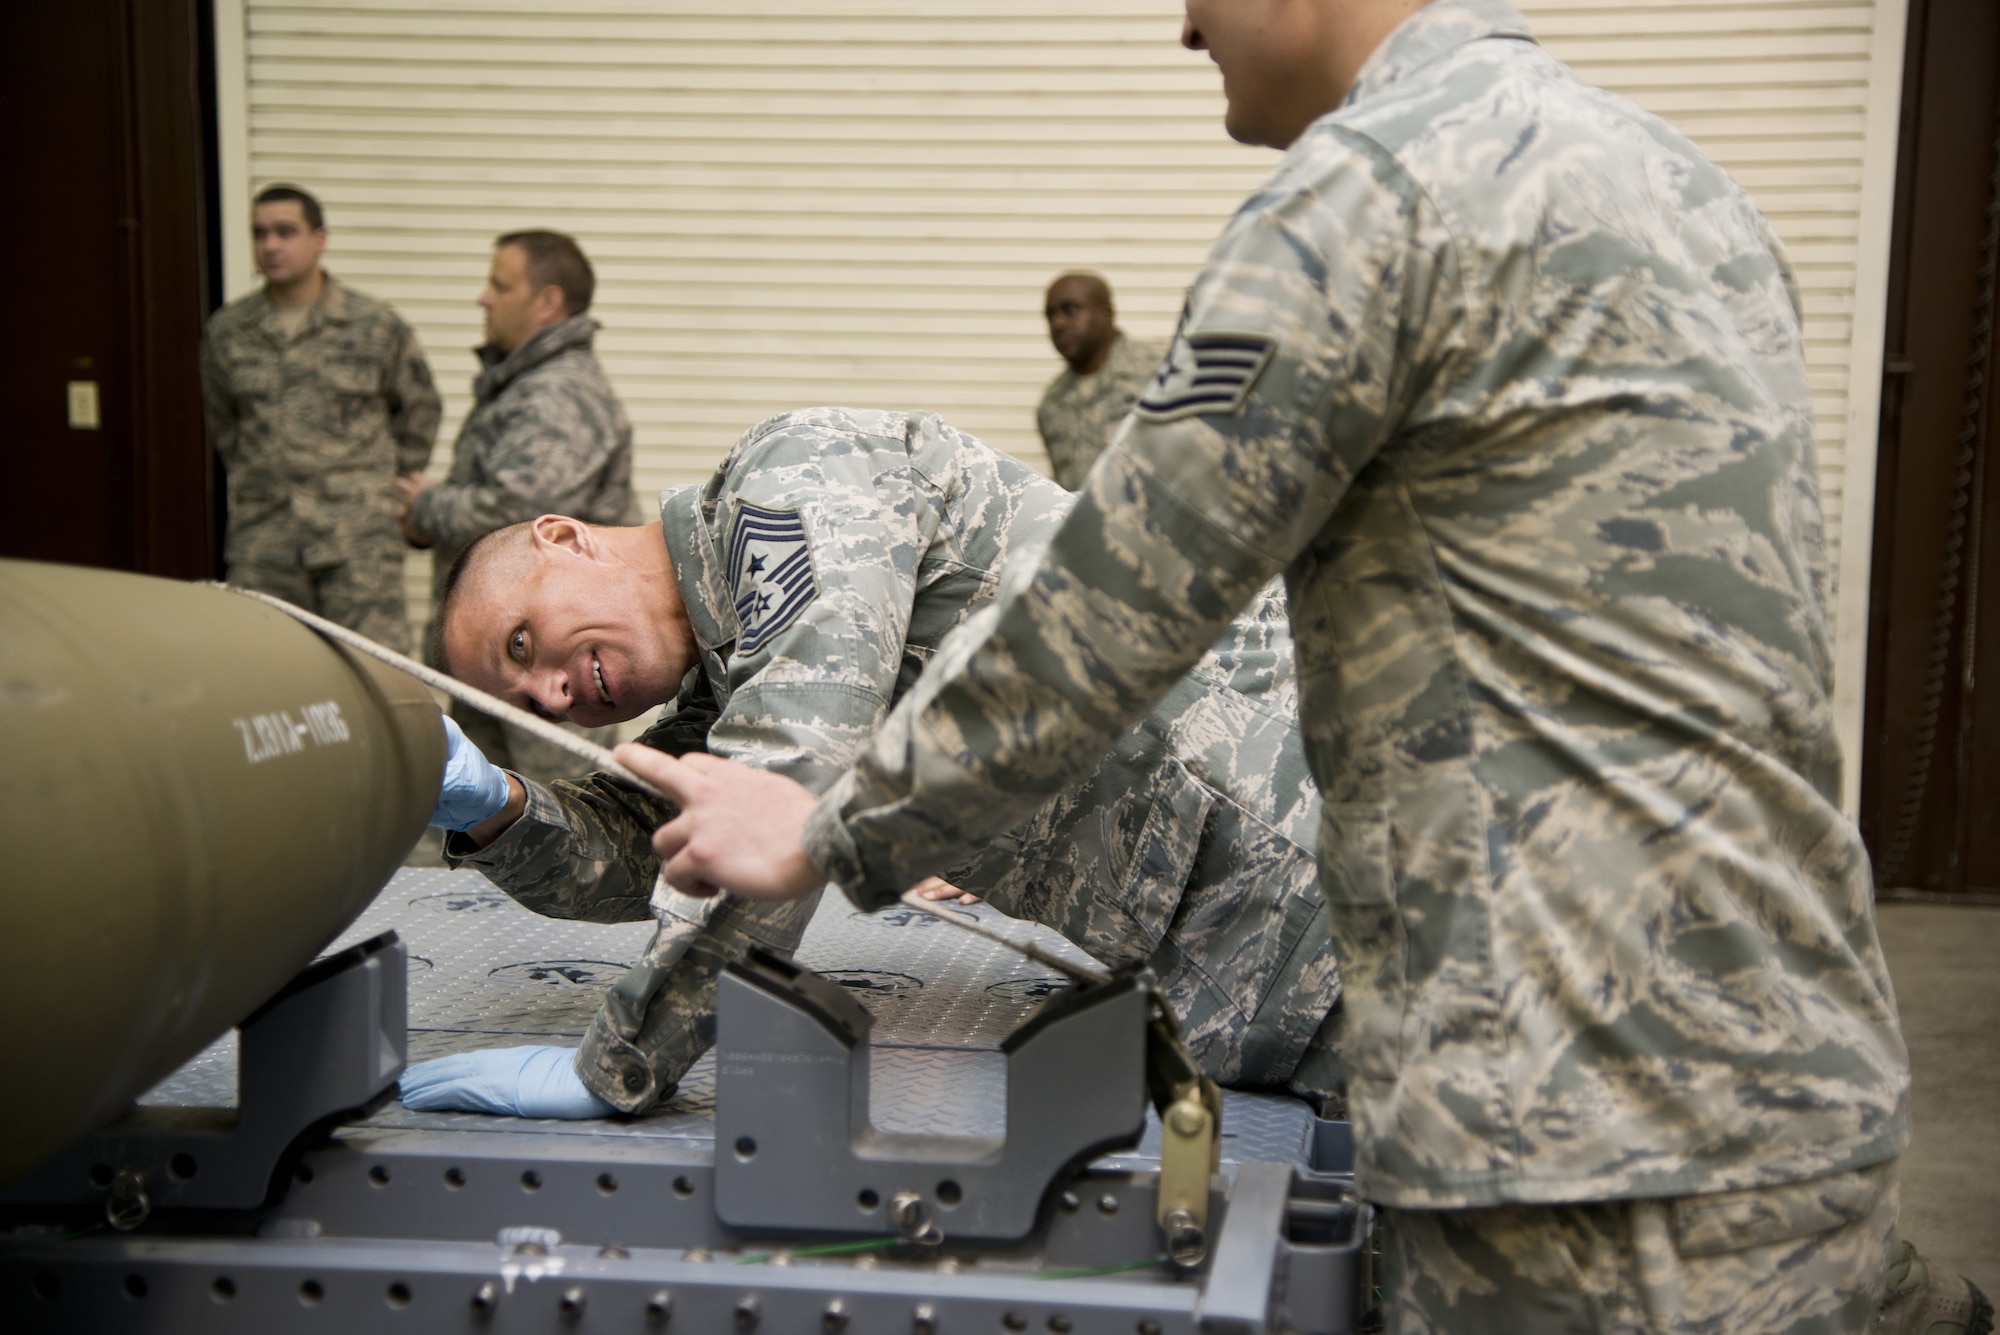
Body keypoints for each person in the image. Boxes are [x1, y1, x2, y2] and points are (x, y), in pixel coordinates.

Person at [614, 3, 1934, 1330]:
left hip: (1573, 1126)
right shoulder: (1686, 185)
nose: (1185, 27)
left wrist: (835, 828)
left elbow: (1115, 599)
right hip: (1790, 1051)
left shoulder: (1366, 201)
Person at [401, 407, 1342, 1119]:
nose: (554, 697)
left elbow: (787, 779)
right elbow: (658, 844)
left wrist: (617, 1062)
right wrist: (496, 808)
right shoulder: (732, 674)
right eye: (525, 701)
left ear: (563, 537)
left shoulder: (786, 488)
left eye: (525, 642)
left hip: (1313, 873)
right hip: (1245, 964)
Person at [398, 230, 640, 783]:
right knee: (485, 814)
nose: (483, 298)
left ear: (547, 302)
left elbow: (516, 512)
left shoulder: (559, 394)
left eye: (499, 285)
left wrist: (427, 507)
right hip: (508, 649)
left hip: (551, 663)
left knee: (564, 814)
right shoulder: (524, 384)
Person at [201, 184, 441, 651]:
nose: (270, 245)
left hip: (357, 543)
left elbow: (419, 409)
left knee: (379, 674)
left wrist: (375, 488)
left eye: (285, 232)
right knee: (262, 670)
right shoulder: (228, 332)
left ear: (319, 239)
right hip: (266, 543)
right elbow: (224, 426)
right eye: (260, 233)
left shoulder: (374, 325)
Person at [1036, 273, 1164, 489]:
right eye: (1050, 315)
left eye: (1070, 310)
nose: (1058, 323)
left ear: (1107, 313)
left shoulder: (1160, 372)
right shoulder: (1052, 405)